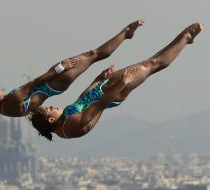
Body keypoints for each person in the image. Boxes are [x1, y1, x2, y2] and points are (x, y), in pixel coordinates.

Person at [0, 20, 145, 139]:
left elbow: (34, 106)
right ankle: (126, 33)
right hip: (54, 80)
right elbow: (34, 83)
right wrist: (59, 68)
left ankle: (126, 34)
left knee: (93, 55)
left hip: (54, 86)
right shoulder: (11, 101)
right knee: (93, 54)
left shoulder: (7, 109)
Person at [28, 22, 204, 141]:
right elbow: (99, 106)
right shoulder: (69, 127)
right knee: (151, 65)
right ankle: (186, 37)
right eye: (49, 109)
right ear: (50, 120)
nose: (51, 106)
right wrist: (122, 83)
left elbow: (82, 100)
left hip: (103, 89)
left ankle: (133, 34)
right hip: (113, 94)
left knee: (147, 63)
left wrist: (98, 79)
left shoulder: (65, 119)